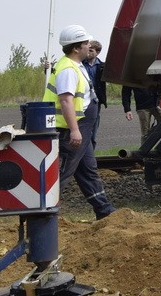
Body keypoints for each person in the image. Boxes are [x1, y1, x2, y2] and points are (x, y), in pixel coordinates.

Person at [43, 24, 116, 220]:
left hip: (81, 126)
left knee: (87, 169)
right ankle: (44, 214)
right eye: (85, 43)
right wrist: (75, 130)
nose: (88, 45)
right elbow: (66, 100)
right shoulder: (68, 69)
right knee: (64, 173)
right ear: (76, 48)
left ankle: (104, 211)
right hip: (70, 129)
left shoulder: (75, 65)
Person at [81, 39, 108, 150]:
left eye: (91, 50)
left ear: (97, 52)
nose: (88, 52)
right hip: (81, 100)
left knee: (93, 131)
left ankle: (90, 155)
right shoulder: (80, 64)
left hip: (96, 102)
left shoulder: (103, 66)